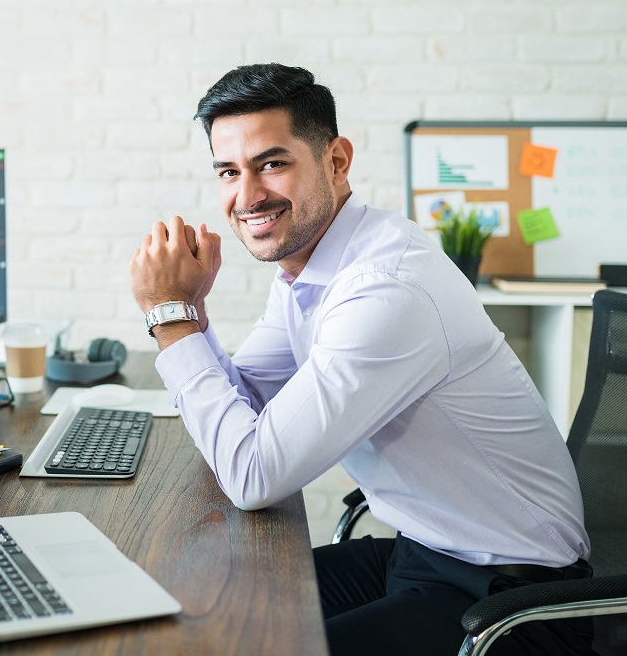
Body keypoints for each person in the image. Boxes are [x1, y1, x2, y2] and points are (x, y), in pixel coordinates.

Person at [127, 63, 594, 656]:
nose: (247, 197)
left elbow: (251, 475)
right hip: (423, 553)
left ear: (337, 160)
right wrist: (189, 309)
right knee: (199, 606)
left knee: (250, 644)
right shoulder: (310, 269)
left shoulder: (385, 290)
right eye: (229, 171)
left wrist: (170, 316)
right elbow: (244, 401)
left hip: (513, 603)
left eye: (272, 163)